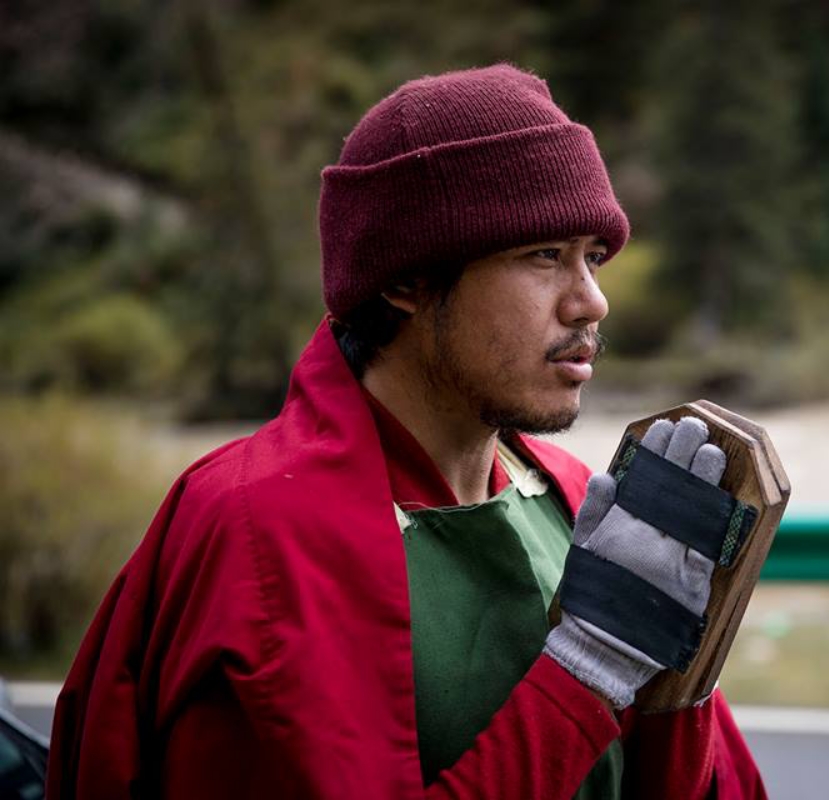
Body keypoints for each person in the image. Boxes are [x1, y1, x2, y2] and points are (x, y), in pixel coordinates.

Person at [46, 63, 766, 798]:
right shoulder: (257, 533)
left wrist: (681, 670)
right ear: (405, 281)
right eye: (544, 254)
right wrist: (585, 674)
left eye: (594, 257)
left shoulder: (579, 499)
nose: (591, 302)